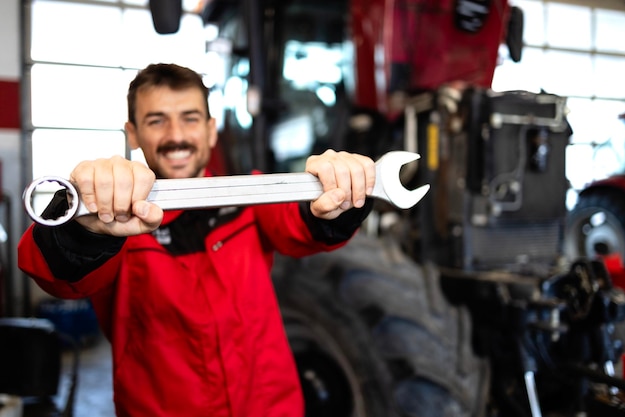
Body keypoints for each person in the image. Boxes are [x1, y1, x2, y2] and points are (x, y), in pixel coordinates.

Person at [18, 63, 375, 417]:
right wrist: (81, 225)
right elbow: (55, 274)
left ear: (210, 130)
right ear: (133, 133)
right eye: (157, 120)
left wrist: (340, 200)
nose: (177, 135)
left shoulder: (250, 196)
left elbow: (303, 226)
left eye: (190, 118)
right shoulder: (114, 219)